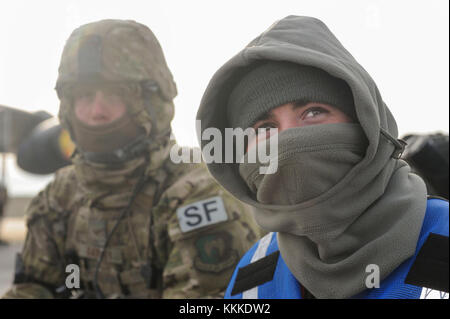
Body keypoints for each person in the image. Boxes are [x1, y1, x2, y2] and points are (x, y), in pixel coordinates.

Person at [2, 19, 261, 299]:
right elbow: (30, 288)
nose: (96, 111)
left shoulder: (198, 196)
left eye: (115, 95)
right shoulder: (58, 197)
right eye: (84, 96)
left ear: (151, 103)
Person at [196, 16, 449, 299]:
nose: (287, 142)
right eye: (265, 129)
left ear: (366, 125)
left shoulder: (443, 233)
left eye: (313, 112)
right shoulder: (253, 272)